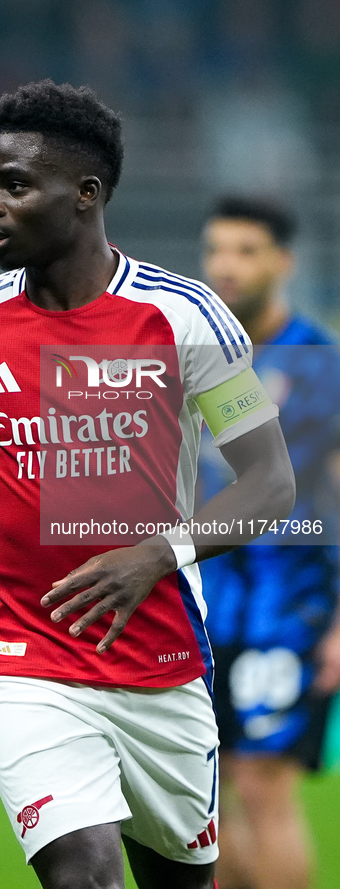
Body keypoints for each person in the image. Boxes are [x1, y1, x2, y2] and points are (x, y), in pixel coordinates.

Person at [0, 82, 294, 889]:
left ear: (85, 195)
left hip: (160, 660)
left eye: (14, 186)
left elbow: (269, 483)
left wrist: (157, 554)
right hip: (26, 655)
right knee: (81, 875)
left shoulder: (183, 319)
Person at [199, 195, 340, 889]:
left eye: (245, 250)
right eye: (217, 249)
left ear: (281, 262)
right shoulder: (198, 359)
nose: (226, 265)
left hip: (289, 608)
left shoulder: (320, 366)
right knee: (206, 790)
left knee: (262, 784)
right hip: (205, 604)